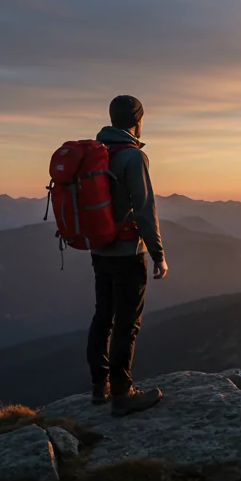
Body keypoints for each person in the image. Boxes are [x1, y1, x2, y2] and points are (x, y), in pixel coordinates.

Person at [87, 94, 168, 416]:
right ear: (138, 120)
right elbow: (145, 209)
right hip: (127, 251)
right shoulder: (133, 157)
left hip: (98, 247)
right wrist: (159, 254)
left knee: (102, 316)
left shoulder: (97, 152)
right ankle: (123, 394)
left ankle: (99, 387)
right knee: (127, 323)